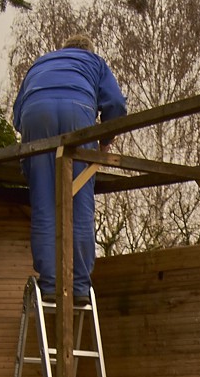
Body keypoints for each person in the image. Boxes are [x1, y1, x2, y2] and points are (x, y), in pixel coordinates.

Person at [12, 35, 127, 303]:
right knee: (79, 203)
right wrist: (106, 140)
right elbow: (116, 105)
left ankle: (50, 285)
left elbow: (18, 115)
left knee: (44, 202)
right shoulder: (95, 62)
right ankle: (79, 287)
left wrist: (34, 136)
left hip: (35, 113)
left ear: (63, 51)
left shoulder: (39, 64)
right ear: (88, 50)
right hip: (77, 111)